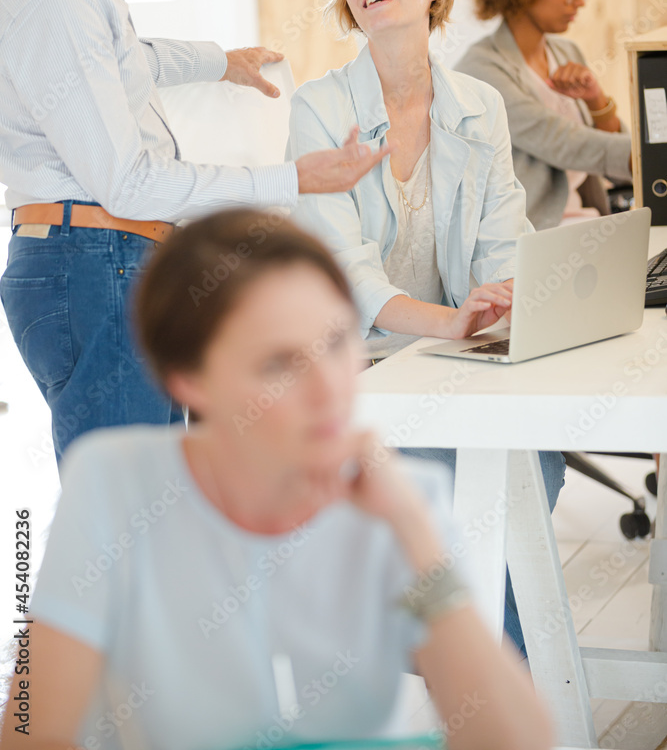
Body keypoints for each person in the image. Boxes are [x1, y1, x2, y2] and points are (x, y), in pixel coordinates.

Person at [0, 208, 552, 750]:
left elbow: (519, 740)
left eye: (336, 343)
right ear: (188, 380)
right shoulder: (114, 485)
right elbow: (30, 732)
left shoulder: (404, 497)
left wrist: (414, 536)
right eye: (278, 364)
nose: (327, 389)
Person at [0, 0, 386, 464]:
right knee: (134, 505)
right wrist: (292, 179)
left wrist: (217, 61)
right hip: (99, 264)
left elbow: (115, 65)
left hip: (93, 261)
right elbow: (129, 183)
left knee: (144, 495)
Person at [285, 0, 565, 656]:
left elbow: (504, 241)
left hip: (444, 357)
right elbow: (344, 274)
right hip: (353, 364)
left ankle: (486, 672)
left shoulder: (479, 106)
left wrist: (507, 297)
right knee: (463, 477)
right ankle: (506, 681)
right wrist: (450, 321)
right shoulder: (320, 107)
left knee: (536, 461)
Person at [455, 0, 632, 230]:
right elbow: (561, 142)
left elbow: (615, 171)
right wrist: (647, 155)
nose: (580, 1)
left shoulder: (567, 52)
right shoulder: (480, 69)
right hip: (536, 237)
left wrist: (596, 101)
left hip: (590, 225)